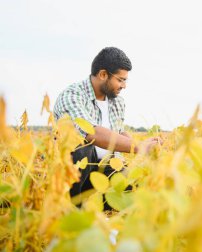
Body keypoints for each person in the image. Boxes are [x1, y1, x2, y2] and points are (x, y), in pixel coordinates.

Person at [53, 47, 160, 206]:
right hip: (75, 171)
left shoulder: (117, 101)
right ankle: (71, 206)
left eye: (125, 80)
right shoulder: (72, 95)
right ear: (103, 75)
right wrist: (138, 147)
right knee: (83, 147)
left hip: (107, 168)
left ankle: (99, 204)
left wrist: (140, 142)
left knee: (137, 190)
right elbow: (91, 133)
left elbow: (115, 132)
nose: (124, 85)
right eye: (120, 80)